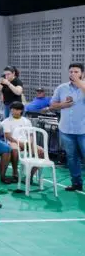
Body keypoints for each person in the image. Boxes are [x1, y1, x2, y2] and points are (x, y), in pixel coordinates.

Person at [50, 63, 85, 191]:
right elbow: (53, 105)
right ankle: (76, 183)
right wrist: (62, 105)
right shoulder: (62, 88)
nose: (73, 74)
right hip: (66, 129)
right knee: (71, 157)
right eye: (71, 72)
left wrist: (79, 83)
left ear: (82, 73)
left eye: (76, 72)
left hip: (83, 130)